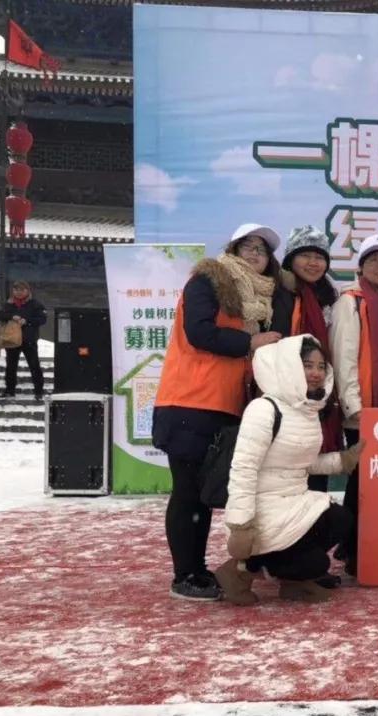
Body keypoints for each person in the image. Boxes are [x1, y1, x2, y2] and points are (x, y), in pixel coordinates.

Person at [152, 223, 282, 600]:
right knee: (188, 492)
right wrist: (251, 342)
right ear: (233, 250)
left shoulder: (257, 298)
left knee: (205, 492)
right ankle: (185, 575)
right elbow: (199, 332)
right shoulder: (209, 281)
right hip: (190, 400)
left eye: (262, 250)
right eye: (248, 246)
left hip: (224, 405)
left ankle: (197, 569)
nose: (255, 254)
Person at [217, 336, 362, 605]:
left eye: (321, 366)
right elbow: (243, 469)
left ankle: (293, 580)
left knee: (341, 519)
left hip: (294, 501)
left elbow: (302, 462)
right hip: (263, 508)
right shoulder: (264, 409)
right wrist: (240, 524)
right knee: (316, 563)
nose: (316, 373)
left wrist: (342, 460)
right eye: (308, 365)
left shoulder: (308, 410)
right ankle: (241, 569)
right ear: (289, 367)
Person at [330, 234, 378, 575]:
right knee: (364, 482)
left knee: (377, 482)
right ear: (361, 267)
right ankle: (357, 551)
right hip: (363, 412)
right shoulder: (352, 302)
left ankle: (353, 546)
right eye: (373, 259)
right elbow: (343, 356)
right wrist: (353, 407)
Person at [271, 225, 344, 492]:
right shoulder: (280, 292)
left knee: (316, 473)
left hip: (318, 394)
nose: (313, 263)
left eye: (319, 257)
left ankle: (313, 517)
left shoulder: (328, 297)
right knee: (285, 474)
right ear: (291, 258)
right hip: (286, 395)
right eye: (305, 255)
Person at [0, 280, 47, 401]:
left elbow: (42, 319)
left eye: (22, 290)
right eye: (16, 290)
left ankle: (39, 391)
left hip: (29, 339)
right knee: (11, 366)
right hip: (12, 340)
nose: (18, 292)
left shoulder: (35, 304)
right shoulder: (9, 304)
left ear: (27, 291)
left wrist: (27, 321)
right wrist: (11, 316)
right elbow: (0, 315)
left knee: (34, 365)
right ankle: (10, 391)